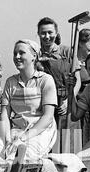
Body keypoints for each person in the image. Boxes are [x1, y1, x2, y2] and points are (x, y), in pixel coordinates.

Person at [0, 39, 57, 163]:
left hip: (39, 132)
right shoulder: (11, 82)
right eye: (15, 53)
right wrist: (7, 139)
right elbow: (4, 115)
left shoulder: (45, 80)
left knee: (18, 160)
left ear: (34, 56)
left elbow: (48, 117)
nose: (17, 57)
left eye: (21, 53)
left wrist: (24, 138)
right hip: (16, 131)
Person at [36, 17, 71, 145]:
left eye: (50, 32)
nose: (47, 36)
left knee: (68, 142)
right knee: (47, 141)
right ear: (38, 34)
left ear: (56, 33)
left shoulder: (66, 51)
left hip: (65, 104)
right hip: (44, 104)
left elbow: (77, 80)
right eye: (43, 33)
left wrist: (69, 101)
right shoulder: (35, 54)